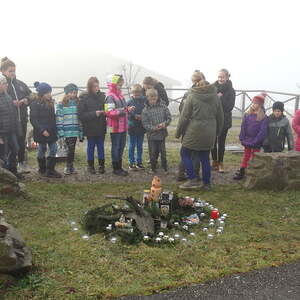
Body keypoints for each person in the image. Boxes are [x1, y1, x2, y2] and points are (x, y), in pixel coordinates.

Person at [176, 80, 224, 190]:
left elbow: (184, 116)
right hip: (210, 131)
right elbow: (220, 117)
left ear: (197, 86)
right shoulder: (216, 97)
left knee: (184, 153)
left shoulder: (192, 96)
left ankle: (192, 179)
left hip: (194, 129)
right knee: (205, 157)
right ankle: (206, 183)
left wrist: (178, 132)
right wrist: (217, 132)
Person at [0, 57, 32, 174]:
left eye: (14, 70)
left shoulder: (20, 84)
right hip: (6, 124)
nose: (13, 73)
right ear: (2, 71)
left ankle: (21, 164)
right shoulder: (2, 85)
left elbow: (31, 95)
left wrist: (25, 100)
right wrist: (12, 103)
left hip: (21, 119)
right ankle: (8, 170)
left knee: (20, 143)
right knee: (8, 147)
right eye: (10, 71)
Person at [177, 70, 206, 182]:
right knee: (196, 152)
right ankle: (195, 174)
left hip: (187, 125)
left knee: (186, 151)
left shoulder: (188, 93)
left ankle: (181, 173)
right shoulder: (203, 93)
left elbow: (181, 109)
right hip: (198, 126)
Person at [30, 82, 62, 178]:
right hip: (41, 132)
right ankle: (42, 168)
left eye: (50, 92)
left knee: (54, 149)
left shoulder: (51, 103)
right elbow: (33, 119)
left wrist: (55, 129)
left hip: (51, 131)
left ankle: (50, 170)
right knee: (42, 149)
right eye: (47, 93)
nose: (50, 94)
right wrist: (42, 130)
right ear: (42, 93)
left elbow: (53, 118)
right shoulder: (34, 104)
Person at [105, 74, 135, 176]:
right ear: (113, 84)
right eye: (119, 83)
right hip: (114, 127)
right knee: (116, 147)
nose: (121, 85)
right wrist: (125, 110)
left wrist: (128, 109)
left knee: (121, 146)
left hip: (123, 126)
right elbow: (109, 112)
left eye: (121, 83)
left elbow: (123, 109)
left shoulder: (120, 95)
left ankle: (119, 166)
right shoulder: (110, 97)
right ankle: (115, 168)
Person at [233, 94, 268, 180]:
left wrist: (256, 141)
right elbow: (243, 127)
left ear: (260, 105)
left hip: (256, 141)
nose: (253, 104)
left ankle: (252, 171)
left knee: (254, 157)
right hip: (247, 140)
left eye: (256, 103)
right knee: (246, 156)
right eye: (253, 102)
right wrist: (242, 138)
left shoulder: (263, 117)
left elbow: (262, 131)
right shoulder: (247, 115)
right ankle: (242, 171)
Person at [78, 77, 107, 174]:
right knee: (90, 147)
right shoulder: (84, 98)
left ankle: (101, 166)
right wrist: (95, 113)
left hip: (101, 126)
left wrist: (107, 112)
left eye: (98, 86)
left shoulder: (103, 97)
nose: (97, 88)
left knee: (101, 147)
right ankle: (90, 166)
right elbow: (81, 115)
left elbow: (107, 110)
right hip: (90, 128)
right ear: (90, 87)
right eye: (94, 86)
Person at [142, 88, 172, 174]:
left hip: (162, 134)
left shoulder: (163, 107)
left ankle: (165, 168)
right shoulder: (145, 110)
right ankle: (153, 168)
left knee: (163, 152)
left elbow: (169, 118)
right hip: (151, 136)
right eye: (150, 98)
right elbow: (145, 124)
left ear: (157, 96)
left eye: (154, 97)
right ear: (147, 98)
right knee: (153, 152)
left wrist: (164, 124)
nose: (153, 99)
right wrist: (154, 128)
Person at [211, 69, 235, 173]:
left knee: (221, 143)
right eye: (219, 77)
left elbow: (229, 107)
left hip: (224, 120)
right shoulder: (212, 87)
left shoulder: (231, 90)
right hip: (213, 119)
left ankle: (221, 162)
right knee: (212, 142)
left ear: (227, 77)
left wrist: (221, 98)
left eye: (222, 77)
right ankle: (214, 161)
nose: (220, 79)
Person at [56, 83, 83, 175]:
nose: (73, 94)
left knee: (72, 149)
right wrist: (60, 131)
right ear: (66, 93)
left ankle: (70, 166)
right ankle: (68, 167)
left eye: (75, 93)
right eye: (71, 92)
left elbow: (79, 119)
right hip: (66, 131)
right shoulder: (61, 104)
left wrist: (80, 131)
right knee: (69, 149)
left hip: (74, 131)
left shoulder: (78, 104)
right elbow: (59, 118)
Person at [0, 75, 21, 178]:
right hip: (2, 132)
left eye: (6, 83)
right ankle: (4, 177)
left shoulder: (8, 96)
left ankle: (13, 172)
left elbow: (13, 114)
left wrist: (17, 129)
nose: (6, 85)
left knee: (15, 149)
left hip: (11, 130)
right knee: (2, 155)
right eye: (4, 83)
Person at [127, 84, 146, 170]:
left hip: (141, 127)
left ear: (141, 93)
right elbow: (127, 113)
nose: (137, 95)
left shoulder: (144, 101)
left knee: (140, 146)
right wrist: (134, 116)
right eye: (135, 93)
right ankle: (131, 162)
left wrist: (143, 116)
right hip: (132, 126)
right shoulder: (129, 102)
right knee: (132, 145)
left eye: (138, 93)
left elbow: (146, 111)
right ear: (132, 93)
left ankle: (139, 162)